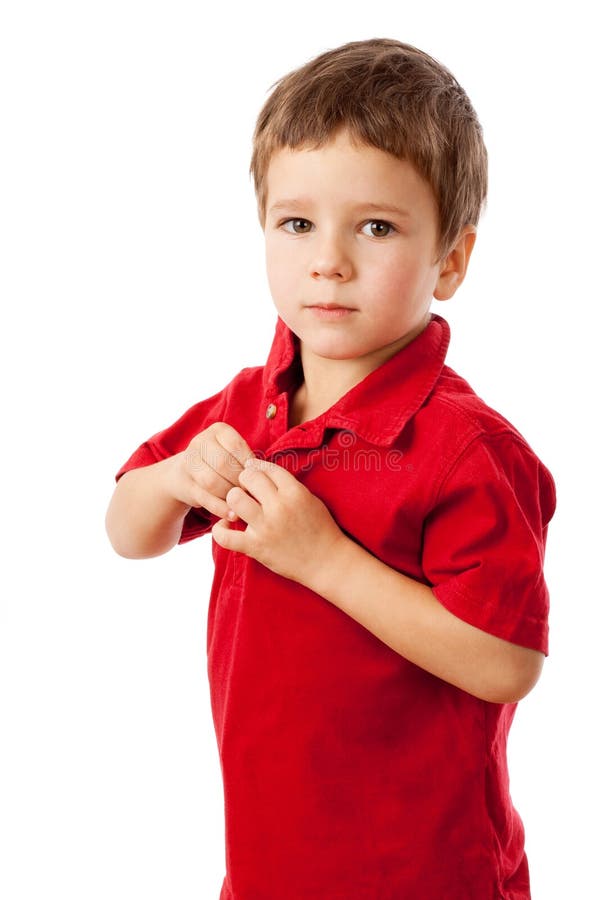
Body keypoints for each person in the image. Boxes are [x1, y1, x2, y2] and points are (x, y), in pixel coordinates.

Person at [105, 38, 556, 899]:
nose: (329, 260)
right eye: (298, 222)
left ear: (451, 260)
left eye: (376, 227)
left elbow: (508, 662)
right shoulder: (249, 403)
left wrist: (323, 560)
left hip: (422, 872)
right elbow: (128, 531)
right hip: (272, 862)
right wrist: (172, 480)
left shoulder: (464, 448)